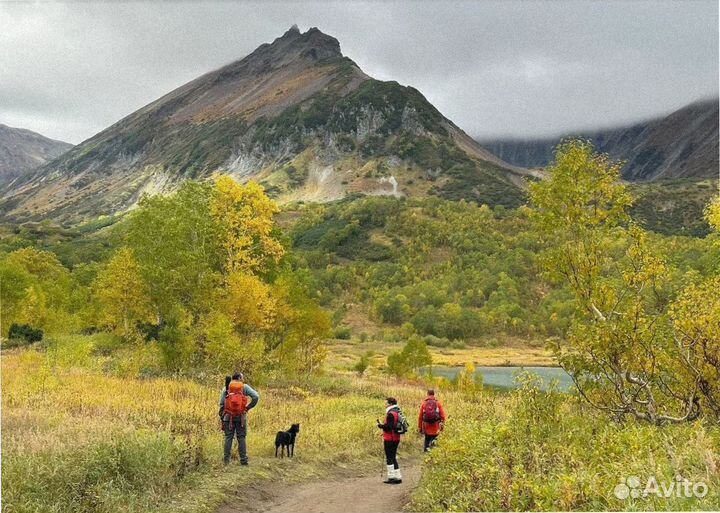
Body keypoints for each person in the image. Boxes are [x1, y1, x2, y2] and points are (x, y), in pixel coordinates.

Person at [218, 372, 260, 465]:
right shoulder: (244, 387)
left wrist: (222, 415)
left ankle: (226, 461)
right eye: (242, 378)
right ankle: (243, 461)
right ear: (240, 378)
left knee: (228, 437)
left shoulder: (226, 387)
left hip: (228, 417)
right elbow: (256, 396)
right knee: (241, 438)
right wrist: (247, 408)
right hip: (241, 417)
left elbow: (221, 403)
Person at [376, 397, 403, 484]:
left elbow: (389, 427)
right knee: (393, 457)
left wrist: (381, 426)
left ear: (390, 403)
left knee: (389, 457)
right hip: (396, 438)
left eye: (386, 403)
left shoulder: (391, 413)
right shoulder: (397, 411)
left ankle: (391, 477)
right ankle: (398, 477)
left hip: (390, 438)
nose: (385, 404)